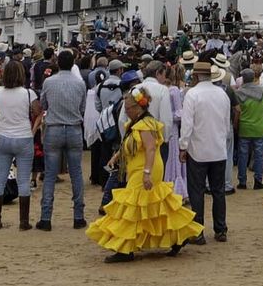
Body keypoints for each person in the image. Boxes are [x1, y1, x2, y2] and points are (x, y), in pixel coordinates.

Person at [86, 87, 200, 262]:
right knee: (155, 204)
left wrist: (146, 173)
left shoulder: (145, 124)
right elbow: (131, 144)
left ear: (137, 108)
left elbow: (151, 148)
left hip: (146, 168)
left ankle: (125, 249)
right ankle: (179, 237)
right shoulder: (136, 123)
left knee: (132, 205)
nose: (126, 111)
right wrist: (117, 156)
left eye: (128, 108)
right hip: (139, 167)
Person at [179, 57, 232, 244]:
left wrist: (183, 146)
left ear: (196, 75)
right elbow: (227, 124)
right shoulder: (222, 94)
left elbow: (187, 124)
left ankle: (198, 231)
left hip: (198, 150)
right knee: (218, 191)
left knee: (197, 191)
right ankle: (220, 228)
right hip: (217, 149)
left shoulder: (192, 95)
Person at [36, 50, 87, 231]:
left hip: (54, 128)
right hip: (73, 128)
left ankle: (46, 217)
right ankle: (78, 216)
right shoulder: (80, 84)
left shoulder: (49, 82)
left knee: (50, 174)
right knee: (76, 173)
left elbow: (43, 105)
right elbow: (82, 108)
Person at [0, 57, 39, 231]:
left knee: (0, 178)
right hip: (24, 137)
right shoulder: (28, 93)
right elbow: (38, 112)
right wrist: (33, 132)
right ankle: (23, 222)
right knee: (23, 180)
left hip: (3, 136)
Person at [232, 70, 263, 190]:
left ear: (243, 79)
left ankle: (242, 181)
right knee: (259, 155)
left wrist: (236, 125)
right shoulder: (262, 91)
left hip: (244, 128)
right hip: (259, 127)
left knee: (243, 155)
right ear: (253, 78)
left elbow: (236, 111)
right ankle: (258, 180)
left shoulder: (238, 93)